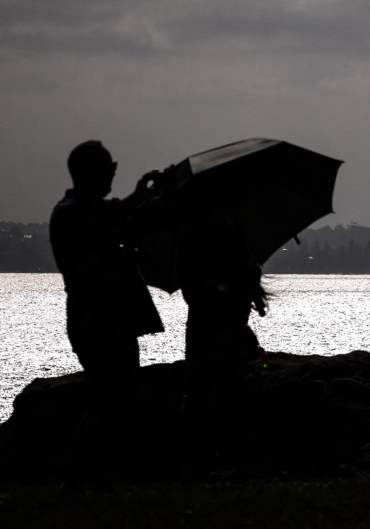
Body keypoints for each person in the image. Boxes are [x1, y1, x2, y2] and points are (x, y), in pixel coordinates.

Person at [48, 140, 164, 485]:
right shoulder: (72, 212)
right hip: (97, 320)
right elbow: (110, 220)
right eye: (107, 170)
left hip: (110, 318)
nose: (112, 175)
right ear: (88, 173)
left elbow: (116, 221)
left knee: (118, 398)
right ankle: (86, 475)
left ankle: (96, 476)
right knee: (111, 399)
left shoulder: (80, 211)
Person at [177, 200, 268, 477]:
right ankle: (203, 459)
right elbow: (195, 292)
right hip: (212, 332)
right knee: (206, 394)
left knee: (224, 393)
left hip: (226, 331)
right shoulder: (199, 243)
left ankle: (218, 458)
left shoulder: (229, 239)